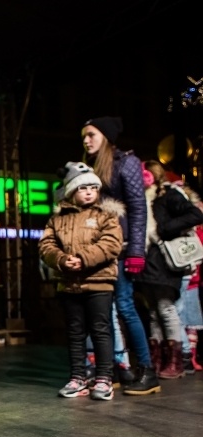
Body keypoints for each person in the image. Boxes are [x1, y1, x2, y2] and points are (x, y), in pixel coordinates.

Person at [80, 116, 158, 396]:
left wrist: (137, 250)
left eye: (91, 134)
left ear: (107, 136)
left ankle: (148, 371)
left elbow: (138, 208)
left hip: (123, 249)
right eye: (84, 136)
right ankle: (112, 368)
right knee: (104, 312)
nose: (86, 140)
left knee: (124, 307)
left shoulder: (127, 163)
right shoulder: (91, 166)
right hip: (100, 248)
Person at [39, 162, 123, 400]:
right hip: (68, 283)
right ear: (71, 191)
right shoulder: (57, 219)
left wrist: (83, 259)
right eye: (82, 187)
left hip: (99, 283)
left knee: (100, 330)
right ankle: (78, 377)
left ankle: (104, 378)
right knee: (75, 332)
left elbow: (111, 243)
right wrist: (62, 259)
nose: (88, 191)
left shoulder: (106, 215)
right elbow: (46, 245)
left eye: (93, 187)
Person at [133, 160, 203, 379]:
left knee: (166, 309)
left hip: (165, 262)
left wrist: (164, 230)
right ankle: (158, 359)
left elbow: (195, 214)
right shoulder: (143, 200)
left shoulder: (169, 195)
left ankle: (175, 362)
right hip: (148, 261)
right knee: (154, 312)